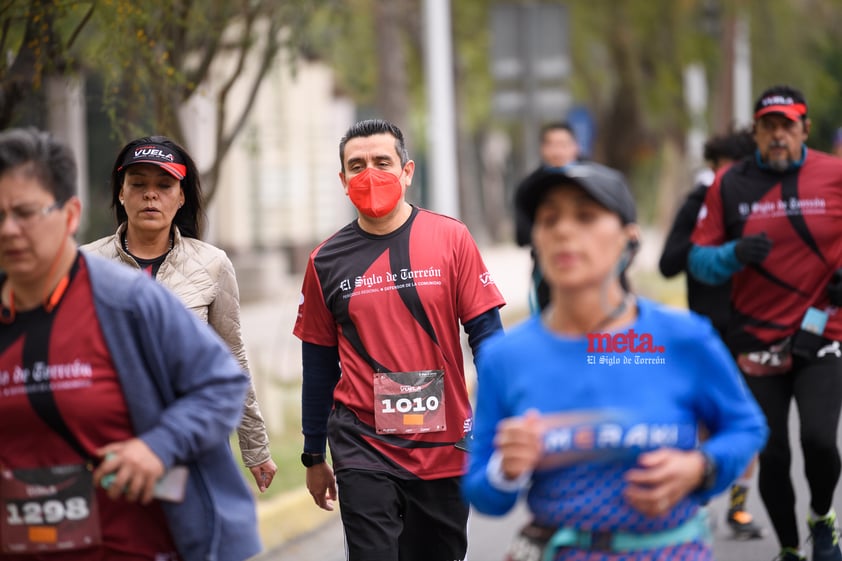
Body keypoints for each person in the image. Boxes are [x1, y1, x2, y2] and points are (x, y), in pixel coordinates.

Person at [462, 161, 768, 561]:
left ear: (629, 238)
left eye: (586, 216)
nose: (564, 231)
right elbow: (483, 494)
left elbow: (746, 427)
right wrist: (506, 470)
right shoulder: (507, 356)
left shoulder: (684, 338)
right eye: (548, 218)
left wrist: (700, 468)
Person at [0, 127, 261, 560]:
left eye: (26, 213)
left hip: (134, 544)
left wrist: (158, 447)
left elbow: (226, 377)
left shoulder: (130, 298)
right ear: (121, 193)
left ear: (69, 214)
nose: (9, 230)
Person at [293, 118, 506, 561]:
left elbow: (487, 336)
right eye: (357, 165)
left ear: (407, 171)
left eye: (381, 162)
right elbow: (317, 364)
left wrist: (497, 415)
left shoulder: (452, 238)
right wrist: (314, 453)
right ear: (342, 179)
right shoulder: (324, 261)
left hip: (444, 442)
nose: (369, 174)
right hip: (362, 443)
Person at [690, 85, 842, 561]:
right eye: (768, 126)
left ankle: (821, 519)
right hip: (755, 336)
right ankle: (792, 547)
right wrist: (733, 255)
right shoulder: (729, 184)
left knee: (818, 439)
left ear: (804, 129)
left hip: (824, 332)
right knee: (773, 452)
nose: (778, 135)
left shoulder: (835, 175)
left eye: (787, 126)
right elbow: (697, 260)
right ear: (755, 131)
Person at [82, 135, 278, 492]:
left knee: (192, 541)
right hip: (112, 440)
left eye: (164, 185)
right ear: (121, 193)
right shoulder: (86, 265)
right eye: (138, 184)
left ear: (182, 195)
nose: (150, 194)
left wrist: (255, 448)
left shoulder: (212, 264)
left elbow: (232, 358)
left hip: (192, 436)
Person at [659, 126, 764, 539]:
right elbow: (668, 263)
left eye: (739, 170)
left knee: (748, 417)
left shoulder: (763, 204)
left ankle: (738, 510)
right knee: (703, 423)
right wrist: (712, 247)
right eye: (725, 169)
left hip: (754, 326)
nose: (731, 179)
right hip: (707, 331)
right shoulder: (698, 202)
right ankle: (698, 505)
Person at [514, 122, 581, 313]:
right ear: (543, 149)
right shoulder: (530, 187)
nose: (558, 151)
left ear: (575, 147)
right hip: (547, 271)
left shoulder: (596, 184)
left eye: (563, 144)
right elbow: (522, 235)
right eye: (552, 144)